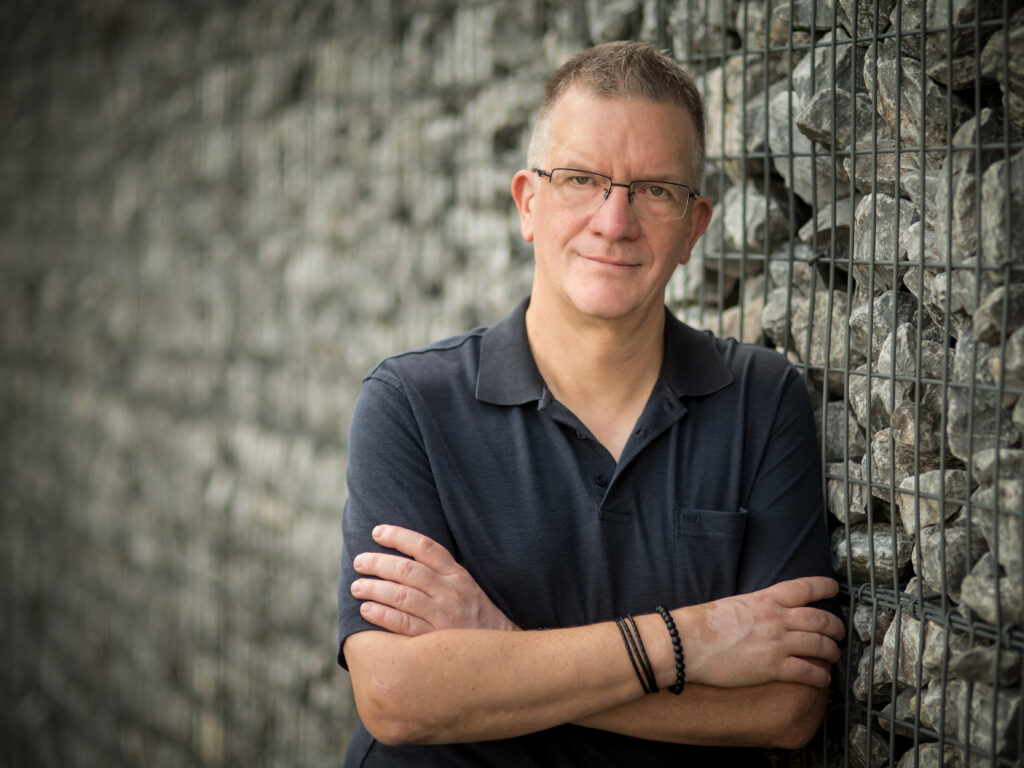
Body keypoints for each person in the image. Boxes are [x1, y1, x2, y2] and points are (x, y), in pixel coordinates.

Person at [336, 41, 845, 767]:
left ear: (695, 228)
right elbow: (397, 696)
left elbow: (785, 709)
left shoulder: (761, 400)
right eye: (581, 179)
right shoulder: (411, 403)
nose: (614, 221)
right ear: (528, 203)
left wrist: (501, 651)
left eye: (656, 190)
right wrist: (692, 640)